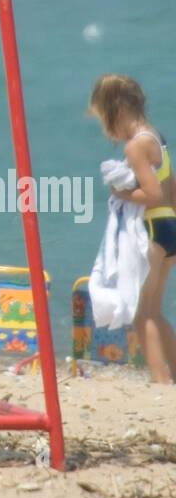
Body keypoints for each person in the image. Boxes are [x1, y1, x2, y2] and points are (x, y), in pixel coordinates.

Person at [88, 74, 176, 383]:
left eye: (105, 119)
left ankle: (159, 380)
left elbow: (151, 194)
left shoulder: (136, 146)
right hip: (170, 228)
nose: (107, 129)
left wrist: (120, 193)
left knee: (142, 313)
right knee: (156, 309)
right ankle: (174, 376)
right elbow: (171, 189)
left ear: (118, 109)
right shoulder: (157, 138)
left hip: (151, 228)